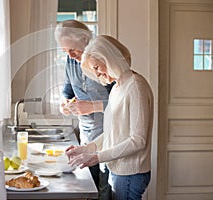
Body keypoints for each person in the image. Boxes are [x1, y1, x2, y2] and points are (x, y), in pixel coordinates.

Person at [66, 35, 154, 200]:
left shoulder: (135, 86)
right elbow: (113, 132)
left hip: (130, 173)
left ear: (110, 59)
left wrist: (97, 157)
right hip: (118, 170)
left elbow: (138, 140)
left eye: (97, 67)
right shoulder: (117, 87)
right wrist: (87, 149)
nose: (98, 74)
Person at [54, 20, 113, 200]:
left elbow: (121, 101)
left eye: (73, 50)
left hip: (109, 134)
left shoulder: (103, 60)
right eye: (65, 51)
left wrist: (92, 106)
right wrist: (64, 102)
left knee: (105, 189)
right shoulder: (71, 62)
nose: (70, 55)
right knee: (89, 185)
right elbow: (67, 90)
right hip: (86, 133)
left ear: (86, 39)